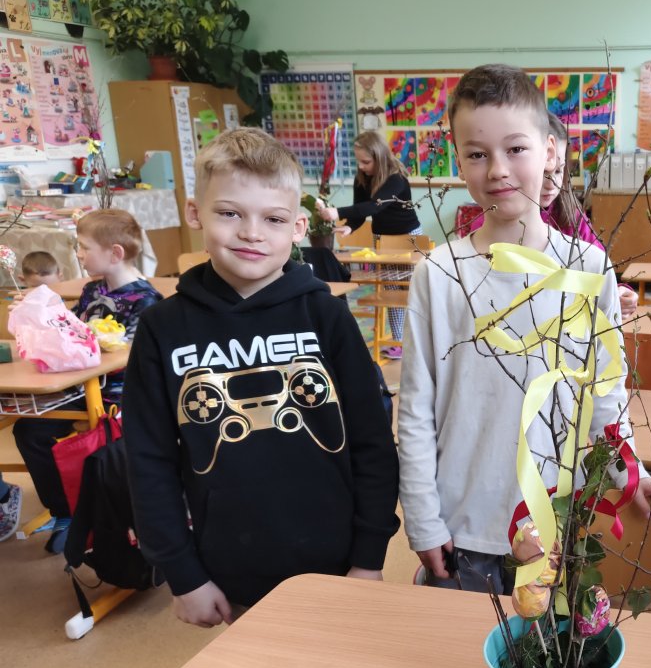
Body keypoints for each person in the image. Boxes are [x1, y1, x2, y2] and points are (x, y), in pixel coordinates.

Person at [398, 63, 651, 594]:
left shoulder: (589, 267)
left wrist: (629, 471)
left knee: (547, 640)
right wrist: (422, 517)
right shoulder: (438, 274)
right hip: (463, 527)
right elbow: (415, 409)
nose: (497, 170)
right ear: (458, 157)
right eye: (477, 154)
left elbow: (605, 394)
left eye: (516, 149)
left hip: (556, 520)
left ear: (550, 151)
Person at [123, 128, 399, 626]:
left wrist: (369, 556)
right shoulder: (162, 329)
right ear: (195, 213)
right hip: (230, 569)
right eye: (230, 213)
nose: (252, 233)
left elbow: (373, 440)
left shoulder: (327, 317)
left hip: (339, 561)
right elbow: (148, 462)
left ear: (297, 227)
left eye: (272, 219)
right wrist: (183, 575)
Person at [13, 210, 163, 553]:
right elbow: (69, 330)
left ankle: (97, 513)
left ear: (115, 253)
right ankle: (65, 513)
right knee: (29, 430)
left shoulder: (145, 301)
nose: (79, 255)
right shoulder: (93, 290)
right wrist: (37, 312)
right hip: (79, 387)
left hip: (120, 395)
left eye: (84, 247)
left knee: (95, 442)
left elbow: (132, 358)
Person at [459, 112, 638, 319]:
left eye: (559, 171)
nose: (552, 183)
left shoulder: (572, 217)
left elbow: (599, 274)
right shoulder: (488, 226)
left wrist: (618, 291)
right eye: (543, 172)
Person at [318, 130, 421, 354]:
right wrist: (350, 226)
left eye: (366, 162)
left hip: (408, 237)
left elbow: (375, 206)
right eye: (359, 161)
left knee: (412, 292)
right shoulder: (362, 178)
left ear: (379, 157)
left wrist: (337, 212)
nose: (361, 166)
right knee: (390, 290)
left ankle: (419, 341)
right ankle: (398, 342)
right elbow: (361, 209)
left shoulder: (396, 178)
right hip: (382, 239)